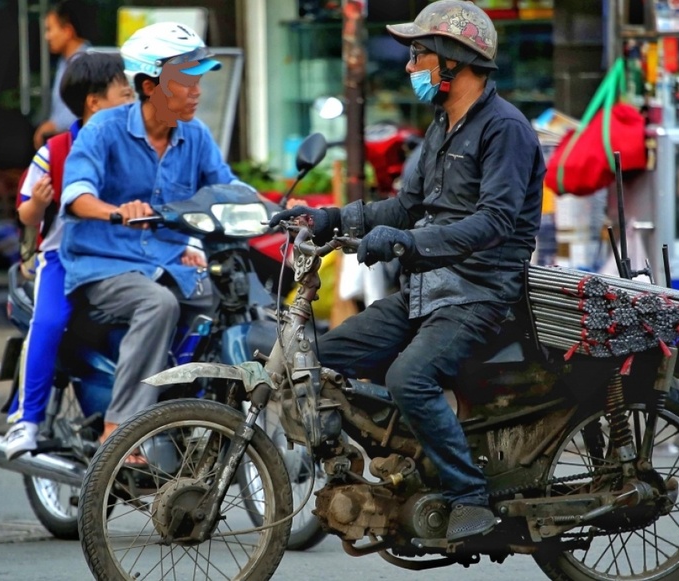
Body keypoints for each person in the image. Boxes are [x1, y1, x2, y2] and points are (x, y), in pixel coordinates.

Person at [270, 0, 546, 542]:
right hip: (427, 292)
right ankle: (405, 463)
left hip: (481, 296)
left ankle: (470, 495)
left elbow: (492, 223)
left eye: (418, 54)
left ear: (452, 60)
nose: (409, 67)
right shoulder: (442, 126)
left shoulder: (505, 130)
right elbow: (403, 207)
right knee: (323, 357)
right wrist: (331, 218)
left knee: (408, 376)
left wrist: (407, 241)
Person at [59, 22, 248, 450]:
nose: (196, 91)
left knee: (221, 300)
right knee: (157, 304)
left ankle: (184, 411)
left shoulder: (196, 136)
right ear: (148, 85)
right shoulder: (104, 130)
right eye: (186, 81)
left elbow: (227, 187)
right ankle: (119, 430)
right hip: (104, 264)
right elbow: (76, 194)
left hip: (166, 264)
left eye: (199, 79)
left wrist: (282, 210)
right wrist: (115, 212)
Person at [1, 52, 136, 460]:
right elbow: (25, 212)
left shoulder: (136, 145)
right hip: (63, 257)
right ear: (94, 101)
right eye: (124, 92)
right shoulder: (55, 150)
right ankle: (26, 420)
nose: (132, 99)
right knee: (50, 320)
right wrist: (39, 205)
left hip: (121, 258)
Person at [33, 0, 91, 149]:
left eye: (50, 29)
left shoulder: (87, 63)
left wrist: (54, 125)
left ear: (67, 31)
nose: (47, 36)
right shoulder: (64, 60)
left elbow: (86, 107)